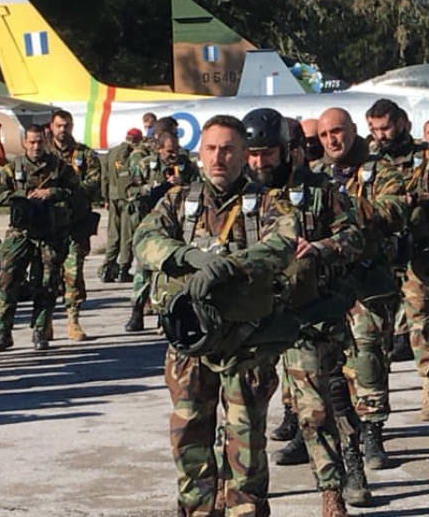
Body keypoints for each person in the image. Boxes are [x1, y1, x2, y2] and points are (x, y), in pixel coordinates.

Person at [133, 114, 297, 517]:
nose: (218, 157)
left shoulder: (267, 202)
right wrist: (186, 256)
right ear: (199, 154)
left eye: (227, 149)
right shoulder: (178, 201)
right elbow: (144, 239)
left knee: (245, 442)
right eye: (210, 149)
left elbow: (285, 242)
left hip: (246, 343)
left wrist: (232, 266)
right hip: (190, 344)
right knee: (189, 436)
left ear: (243, 155)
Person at [242, 108, 369, 516]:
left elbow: (354, 237)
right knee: (246, 414)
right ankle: (248, 498)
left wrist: (320, 248)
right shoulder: (240, 196)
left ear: (286, 150)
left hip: (306, 317)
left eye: (267, 153)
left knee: (318, 409)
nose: (259, 162)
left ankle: (333, 490)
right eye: (252, 154)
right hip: (252, 320)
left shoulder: (319, 190)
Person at [314, 107, 407, 471]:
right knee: (324, 364)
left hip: (367, 280)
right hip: (327, 283)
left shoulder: (379, 169)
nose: (332, 140)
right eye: (324, 135)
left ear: (353, 130)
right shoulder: (316, 174)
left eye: (337, 131)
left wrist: (347, 209)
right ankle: (320, 431)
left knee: (368, 355)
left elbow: (395, 209)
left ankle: (372, 429)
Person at [366, 99, 429, 420]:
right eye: (374, 129)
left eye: (386, 128)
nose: (380, 135)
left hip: (417, 252)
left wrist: (417, 201)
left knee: (422, 321)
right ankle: (376, 396)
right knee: (377, 327)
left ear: (403, 123)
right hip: (380, 255)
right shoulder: (369, 161)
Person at [0, 124, 81, 351]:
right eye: (31, 142)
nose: (36, 146)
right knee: (8, 278)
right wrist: (23, 196)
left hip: (50, 233)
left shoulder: (59, 167)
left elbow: (77, 193)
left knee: (47, 283)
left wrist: (52, 193)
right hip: (20, 232)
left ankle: (40, 330)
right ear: (24, 143)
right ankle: (3, 331)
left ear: (46, 142)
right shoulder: (13, 167)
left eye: (40, 142)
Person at [125, 130, 198, 332]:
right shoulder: (145, 165)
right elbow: (129, 191)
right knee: (143, 270)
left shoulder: (187, 165)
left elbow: (201, 187)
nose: (173, 155)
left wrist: (184, 186)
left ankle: (165, 314)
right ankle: (137, 312)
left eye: (176, 150)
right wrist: (154, 187)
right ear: (158, 149)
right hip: (151, 222)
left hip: (178, 225)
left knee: (171, 271)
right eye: (169, 151)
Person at [49, 108, 102, 341]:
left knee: (74, 271)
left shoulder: (84, 154)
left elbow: (93, 182)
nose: (63, 130)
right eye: (59, 126)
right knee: (48, 273)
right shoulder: (44, 153)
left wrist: (66, 192)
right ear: (51, 127)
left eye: (66, 125)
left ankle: (73, 319)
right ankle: (45, 321)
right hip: (48, 226)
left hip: (75, 223)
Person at [100, 127, 144, 284]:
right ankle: (122, 269)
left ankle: (107, 268)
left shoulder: (111, 152)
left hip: (112, 197)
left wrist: (105, 197)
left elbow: (104, 177)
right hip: (126, 198)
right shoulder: (133, 154)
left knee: (113, 235)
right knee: (126, 235)